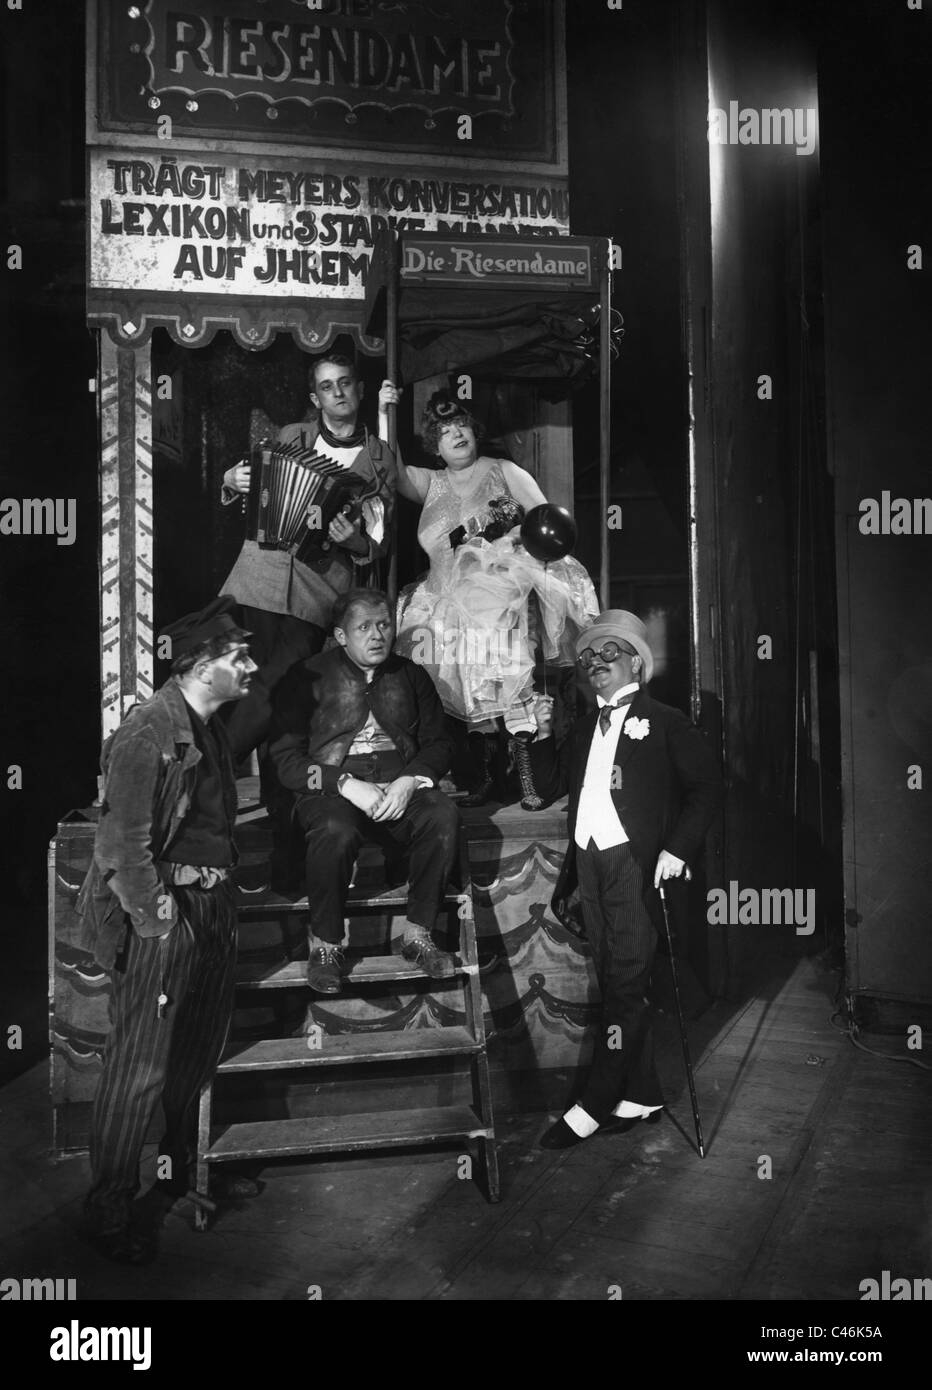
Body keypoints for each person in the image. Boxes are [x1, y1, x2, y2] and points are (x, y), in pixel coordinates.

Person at [75, 597, 257, 1262]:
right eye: (240, 657)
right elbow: (123, 846)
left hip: (209, 909)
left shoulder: (211, 728)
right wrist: (157, 925)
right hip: (165, 917)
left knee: (195, 1053)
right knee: (140, 1066)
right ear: (203, 667)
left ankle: (178, 1177)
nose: (252, 666)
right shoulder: (149, 731)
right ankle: (108, 1210)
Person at [527, 609, 722, 1149]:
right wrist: (543, 734)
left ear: (636, 660)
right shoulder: (587, 724)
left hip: (635, 866)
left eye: (609, 651)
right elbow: (544, 788)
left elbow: (708, 789)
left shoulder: (666, 721)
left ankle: (594, 1102)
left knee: (627, 987)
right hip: (590, 863)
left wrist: (676, 851)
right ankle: (643, 1095)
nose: (596, 663)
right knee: (614, 979)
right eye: (588, 656)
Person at [379, 385, 599, 810]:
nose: (457, 434)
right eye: (445, 431)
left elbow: (547, 522)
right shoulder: (431, 481)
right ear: (435, 446)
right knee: (460, 687)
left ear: (474, 430)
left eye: (462, 424)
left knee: (507, 676)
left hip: (501, 594)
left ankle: (530, 773)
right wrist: (385, 413)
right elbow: (392, 472)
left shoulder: (503, 470)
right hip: (445, 599)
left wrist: (510, 539)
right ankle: (482, 775)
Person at [268, 587, 460, 995]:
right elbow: (286, 760)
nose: (378, 635)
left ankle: (418, 937)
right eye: (364, 627)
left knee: (442, 816)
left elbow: (440, 743)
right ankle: (326, 946)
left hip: (399, 785)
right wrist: (342, 782)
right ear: (341, 636)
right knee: (335, 832)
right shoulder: (307, 677)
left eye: (385, 625)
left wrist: (412, 780)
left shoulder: (410, 676)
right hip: (331, 790)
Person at [219, 353, 396, 775]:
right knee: (257, 684)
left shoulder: (380, 457)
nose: (337, 392)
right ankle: (252, 786)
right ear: (314, 398)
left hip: (319, 585)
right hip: (261, 573)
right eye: (326, 386)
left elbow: (382, 537)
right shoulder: (293, 434)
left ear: (360, 390)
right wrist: (230, 480)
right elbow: (259, 486)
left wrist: (354, 541)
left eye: (345, 383)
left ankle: (212, 768)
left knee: (282, 685)